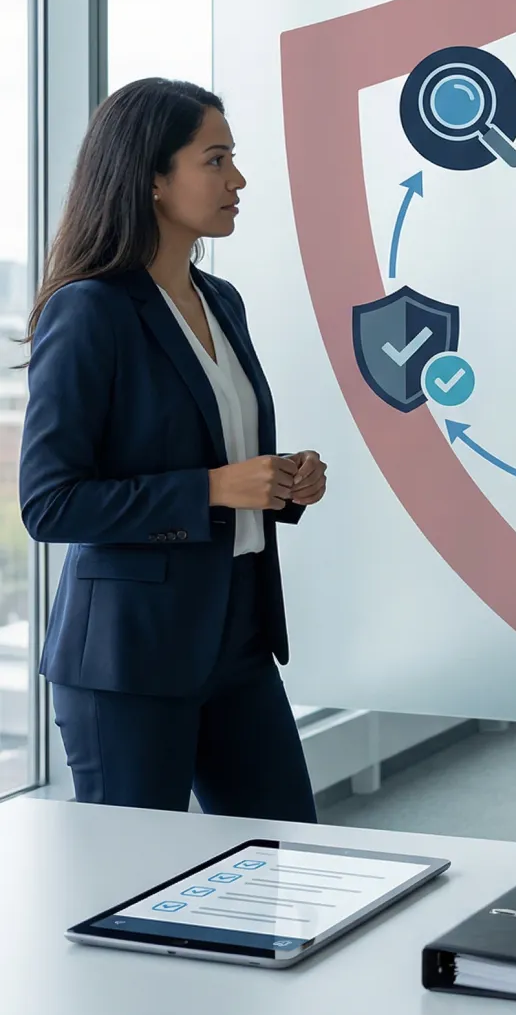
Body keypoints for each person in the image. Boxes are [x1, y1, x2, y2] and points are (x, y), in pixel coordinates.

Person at [20, 78, 328, 822]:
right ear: (153, 179)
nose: (238, 180)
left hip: (239, 642)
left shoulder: (221, 301)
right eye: (216, 160)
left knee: (282, 867)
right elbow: (49, 501)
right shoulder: (89, 309)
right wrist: (216, 488)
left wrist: (282, 482)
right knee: (130, 888)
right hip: (129, 661)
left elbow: (214, 454)